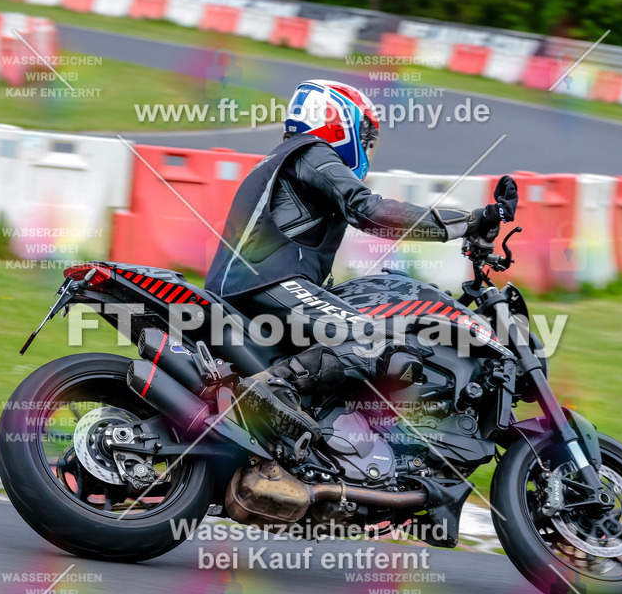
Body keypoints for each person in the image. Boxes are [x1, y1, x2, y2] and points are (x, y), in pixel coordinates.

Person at [205, 79, 518, 446]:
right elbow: (370, 211)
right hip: (267, 283)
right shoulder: (311, 151)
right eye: (364, 132)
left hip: (252, 287)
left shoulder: (283, 158)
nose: (367, 143)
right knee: (381, 343)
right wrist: (467, 222)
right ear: (337, 120)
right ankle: (269, 391)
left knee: (348, 340)